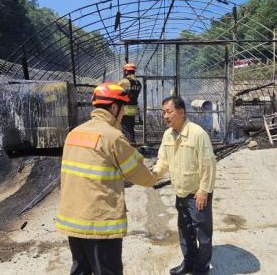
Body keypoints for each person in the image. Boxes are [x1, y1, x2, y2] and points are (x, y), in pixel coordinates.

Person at [56, 83, 158, 275]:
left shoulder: (73, 134)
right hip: (100, 224)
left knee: (81, 269)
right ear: (113, 107)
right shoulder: (112, 137)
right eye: (123, 109)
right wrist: (156, 174)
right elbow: (139, 174)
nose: (124, 114)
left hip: (74, 221)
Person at [152, 96, 216, 275]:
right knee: (185, 232)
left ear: (181, 112)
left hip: (197, 194)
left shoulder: (197, 134)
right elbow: (163, 160)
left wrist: (204, 190)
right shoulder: (168, 135)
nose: (165, 116)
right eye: (163, 112)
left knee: (202, 235)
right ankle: (189, 262)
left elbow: (208, 164)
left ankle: (201, 268)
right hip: (180, 193)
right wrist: (155, 173)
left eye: (169, 111)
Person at [117, 63, 142, 144]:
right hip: (133, 109)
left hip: (125, 109)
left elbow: (116, 90)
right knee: (130, 127)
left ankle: (130, 145)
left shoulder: (124, 81)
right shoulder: (138, 83)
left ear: (126, 71)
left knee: (125, 129)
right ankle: (132, 142)